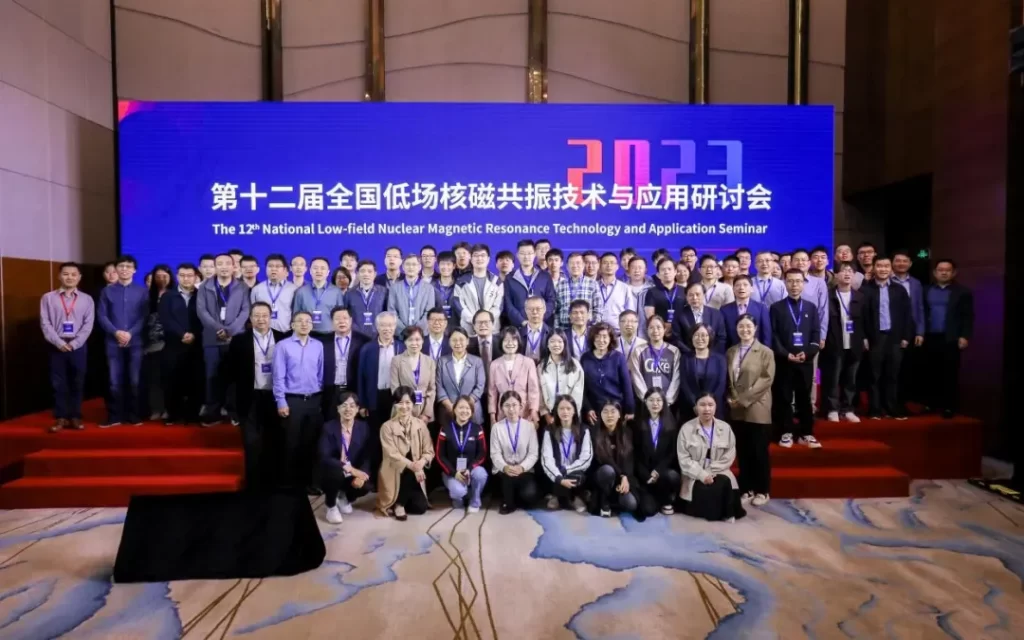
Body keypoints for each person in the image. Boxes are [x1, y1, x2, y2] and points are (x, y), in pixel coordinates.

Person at [226, 302, 288, 489]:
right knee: (251, 442)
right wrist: (231, 405)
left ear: (270, 317)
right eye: (257, 316)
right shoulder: (239, 341)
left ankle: (273, 482)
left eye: (265, 315)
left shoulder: (283, 338)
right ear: (251, 319)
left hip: (275, 396)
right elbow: (229, 374)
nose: (261, 319)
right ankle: (253, 484)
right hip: (249, 396)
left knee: (274, 439)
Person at [726, 314, 775, 506]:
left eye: (748, 326)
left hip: (757, 407)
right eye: (741, 326)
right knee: (743, 451)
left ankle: (763, 490)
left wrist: (743, 399)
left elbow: (766, 379)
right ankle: (746, 488)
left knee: (759, 451)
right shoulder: (731, 351)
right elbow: (730, 379)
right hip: (736, 409)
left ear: (755, 328)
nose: (744, 330)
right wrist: (730, 398)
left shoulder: (765, 352)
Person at [272, 311, 325, 491]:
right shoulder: (283, 346)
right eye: (300, 321)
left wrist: (318, 395)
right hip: (292, 400)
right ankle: (289, 484)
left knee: (311, 443)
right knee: (291, 443)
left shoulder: (318, 345)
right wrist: (281, 401)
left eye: (308, 321)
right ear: (292, 325)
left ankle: (309, 483)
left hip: (313, 400)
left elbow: (320, 373)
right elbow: (278, 376)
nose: (304, 324)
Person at [770, 269, 822, 448]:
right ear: (785, 283)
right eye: (790, 281)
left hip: (805, 360)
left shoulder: (811, 307)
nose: (794, 285)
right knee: (783, 397)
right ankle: (786, 432)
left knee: (804, 398)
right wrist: (785, 354)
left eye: (798, 281)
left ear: (803, 283)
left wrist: (808, 353)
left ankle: (806, 433)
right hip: (784, 361)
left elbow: (816, 333)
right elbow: (773, 335)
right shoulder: (776, 308)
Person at [197, 254, 250, 426]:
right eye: (219, 264)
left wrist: (231, 330)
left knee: (235, 377)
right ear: (215, 267)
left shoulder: (242, 286)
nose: (224, 267)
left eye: (228, 263)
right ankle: (213, 412)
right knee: (212, 376)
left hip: (236, 338)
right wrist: (218, 329)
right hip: (212, 339)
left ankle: (234, 412)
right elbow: (201, 311)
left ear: (234, 266)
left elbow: (245, 310)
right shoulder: (205, 286)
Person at [41, 262, 95, 433]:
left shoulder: (87, 299)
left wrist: (74, 344)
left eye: (73, 274)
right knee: (58, 383)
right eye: (65, 274)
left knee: (77, 382)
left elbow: (88, 325)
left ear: (79, 277)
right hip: (56, 345)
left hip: (78, 346)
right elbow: (45, 323)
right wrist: (59, 343)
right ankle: (60, 417)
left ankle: (75, 416)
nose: (69, 277)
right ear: (59, 276)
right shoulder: (48, 298)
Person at [861, 256, 916, 419]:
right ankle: (875, 409)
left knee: (892, 375)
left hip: (895, 337)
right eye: (879, 266)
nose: (883, 269)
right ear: (874, 268)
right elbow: (861, 316)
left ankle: (891, 408)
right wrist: (863, 337)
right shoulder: (865, 289)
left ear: (891, 269)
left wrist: (906, 336)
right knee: (874, 375)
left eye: (886, 266)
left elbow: (907, 315)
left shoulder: (899, 290)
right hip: (875, 337)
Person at [98, 255, 149, 427]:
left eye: (128, 266)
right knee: (114, 382)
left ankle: (133, 415)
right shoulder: (106, 291)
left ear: (134, 270)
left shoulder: (142, 292)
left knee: (134, 381)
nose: (125, 269)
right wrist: (116, 332)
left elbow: (144, 317)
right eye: (121, 266)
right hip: (113, 342)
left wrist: (130, 333)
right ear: (117, 269)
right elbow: (102, 316)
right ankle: (114, 416)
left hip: (136, 342)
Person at [677, 393, 745, 522]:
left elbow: (729, 455)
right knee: (710, 490)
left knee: (724, 481)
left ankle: (726, 512)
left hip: (719, 470)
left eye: (710, 405)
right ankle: (722, 513)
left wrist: (710, 471)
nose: (707, 409)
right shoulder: (686, 429)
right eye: (702, 405)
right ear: (696, 408)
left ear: (716, 407)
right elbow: (684, 459)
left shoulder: (725, 428)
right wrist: (702, 474)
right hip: (694, 475)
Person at [922, 259, 974, 418]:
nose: (944, 272)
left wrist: (965, 336)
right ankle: (931, 404)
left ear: (953, 273)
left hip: (951, 337)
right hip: (929, 337)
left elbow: (968, 316)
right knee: (931, 372)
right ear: (935, 272)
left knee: (950, 373)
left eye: (947, 270)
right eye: (940, 270)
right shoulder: (926, 290)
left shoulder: (963, 292)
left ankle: (949, 407)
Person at [377, 386, 435, 520]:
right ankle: (399, 504)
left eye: (408, 402)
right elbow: (391, 454)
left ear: (413, 404)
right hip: (395, 472)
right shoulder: (386, 427)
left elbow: (429, 450)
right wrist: (414, 467)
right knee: (408, 469)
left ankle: (401, 498)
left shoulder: (420, 425)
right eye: (400, 403)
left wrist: (421, 462)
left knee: (420, 507)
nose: (404, 407)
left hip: (415, 475)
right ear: (394, 405)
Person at [821, 262, 867, 422]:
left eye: (850, 271)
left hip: (854, 343)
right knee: (832, 378)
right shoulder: (828, 295)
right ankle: (832, 409)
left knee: (851, 379)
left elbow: (866, 320)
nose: (847, 274)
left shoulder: (860, 297)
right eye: (843, 271)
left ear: (854, 275)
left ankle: (848, 409)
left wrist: (865, 338)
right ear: (836, 275)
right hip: (835, 343)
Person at [159, 263, 203, 425]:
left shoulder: (201, 295)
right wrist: (182, 334)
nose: (186, 279)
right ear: (177, 277)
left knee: (195, 380)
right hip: (174, 344)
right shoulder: (168, 296)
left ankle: (192, 415)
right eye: (182, 275)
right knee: (172, 380)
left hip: (196, 344)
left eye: (189, 275)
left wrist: (194, 334)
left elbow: (204, 318)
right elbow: (165, 318)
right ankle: (173, 414)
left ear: (196, 277)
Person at [319, 393, 374, 523]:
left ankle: (343, 497)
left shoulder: (363, 427)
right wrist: (350, 469)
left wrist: (362, 474)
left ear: (357, 409)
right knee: (336, 472)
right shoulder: (328, 427)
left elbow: (367, 455)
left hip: (351, 471)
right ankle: (331, 505)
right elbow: (324, 456)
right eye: (344, 405)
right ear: (338, 409)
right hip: (333, 470)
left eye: (352, 406)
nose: (348, 409)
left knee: (366, 485)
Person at [791, 249, 830, 413]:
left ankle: (810, 405)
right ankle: (792, 405)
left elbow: (823, 310)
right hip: (789, 333)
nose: (800, 263)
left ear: (809, 263)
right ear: (791, 263)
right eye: (797, 260)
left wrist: (822, 335)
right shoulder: (785, 281)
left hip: (811, 334)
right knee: (790, 372)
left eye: (804, 260)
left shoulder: (818, 283)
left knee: (811, 373)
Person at [435, 395, 489, 512]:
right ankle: (459, 499)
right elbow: (440, 456)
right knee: (458, 492)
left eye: (467, 408)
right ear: (454, 409)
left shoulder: (477, 429)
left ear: (472, 411)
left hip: (470, 470)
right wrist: (454, 473)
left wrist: (470, 468)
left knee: (481, 474)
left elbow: (482, 453)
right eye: (461, 408)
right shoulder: (445, 429)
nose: (464, 411)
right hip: (452, 472)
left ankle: (475, 500)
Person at [490, 390, 540, 514]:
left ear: (521, 407)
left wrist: (522, 467)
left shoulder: (529, 426)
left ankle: (513, 497)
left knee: (530, 497)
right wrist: (505, 467)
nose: (511, 409)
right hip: (504, 470)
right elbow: (495, 454)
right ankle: (509, 501)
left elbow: (533, 453)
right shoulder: (497, 428)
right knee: (507, 487)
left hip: (524, 470)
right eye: (507, 405)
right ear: (502, 408)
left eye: (514, 405)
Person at [540, 395, 593, 513]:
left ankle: (574, 497)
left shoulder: (584, 430)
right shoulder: (550, 430)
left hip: (575, 471)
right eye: (561, 408)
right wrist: (558, 476)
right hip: (557, 472)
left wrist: (566, 470)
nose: (565, 412)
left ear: (574, 411)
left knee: (577, 475)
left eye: (568, 408)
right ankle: (559, 496)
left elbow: (586, 458)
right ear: (556, 411)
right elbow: (546, 459)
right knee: (552, 472)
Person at [589, 401, 640, 519]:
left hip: (622, 477)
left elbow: (629, 459)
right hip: (603, 476)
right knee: (607, 470)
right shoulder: (594, 432)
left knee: (631, 504)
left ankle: (615, 498)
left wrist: (626, 477)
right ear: (600, 415)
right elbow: (604, 459)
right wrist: (622, 475)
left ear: (619, 414)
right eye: (605, 412)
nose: (609, 415)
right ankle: (604, 500)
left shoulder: (627, 432)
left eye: (613, 412)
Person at [356, 312, 405, 433]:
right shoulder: (367, 348)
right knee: (374, 433)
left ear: (395, 326)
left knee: (394, 433)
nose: (387, 329)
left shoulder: (401, 348)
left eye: (390, 325)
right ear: (377, 327)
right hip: (374, 396)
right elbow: (360, 378)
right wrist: (362, 404)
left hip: (394, 397)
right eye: (383, 325)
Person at [580, 322, 635, 424]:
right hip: (594, 411)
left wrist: (630, 409)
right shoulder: (585, 358)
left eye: (605, 336)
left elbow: (626, 386)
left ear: (610, 339)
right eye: (597, 336)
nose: (601, 340)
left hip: (615, 408)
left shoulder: (618, 357)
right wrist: (588, 408)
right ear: (592, 338)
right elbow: (582, 388)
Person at [891, 249, 926, 405]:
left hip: (910, 329)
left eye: (905, 261)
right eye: (898, 260)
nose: (901, 264)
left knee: (906, 367)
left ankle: (902, 402)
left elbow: (920, 308)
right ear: (892, 263)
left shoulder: (916, 283)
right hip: (890, 329)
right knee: (891, 368)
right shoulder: (887, 280)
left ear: (910, 264)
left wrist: (920, 331)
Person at [488, 326, 541, 424]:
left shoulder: (528, 362)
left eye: (513, 340)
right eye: (506, 340)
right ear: (501, 342)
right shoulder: (494, 364)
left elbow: (533, 390)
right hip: (503, 412)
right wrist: (492, 416)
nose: (510, 343)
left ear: (518, 342)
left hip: (524, 412)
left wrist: (533, 411)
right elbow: (492, 392)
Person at [323, 306, 369, 420]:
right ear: (332, 321)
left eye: (345, 318)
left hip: (354, 389)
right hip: (331, 390)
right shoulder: (323, 342)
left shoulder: (363, 341)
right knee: (330, 422)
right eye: (337, 318)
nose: (341, 321)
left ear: (351, 320)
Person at [436, 327, 487, 426]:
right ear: (449, 342)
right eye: (454, 340)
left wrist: (466, 406)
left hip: (472, 411)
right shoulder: (442, 361)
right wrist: (449, 405)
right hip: (448, 411)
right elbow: (439, 386)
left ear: (467, 341)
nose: (458, 343)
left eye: (461, 339)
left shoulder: (477, 361)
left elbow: (480, 386)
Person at [629, 315, 681, 407]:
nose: (655, 331)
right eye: (651, 328)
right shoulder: (639, 351)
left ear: (664, 330)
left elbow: (676, 378)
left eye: (658, 327)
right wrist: (648, 399)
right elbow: (636, 377)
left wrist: (668, 401)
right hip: (645, 403)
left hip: (668, 404)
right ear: (647, 330)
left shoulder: (674, 351)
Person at [143, 265, 173, 420]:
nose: (161, 279)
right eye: (158, 276)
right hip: (152, 344)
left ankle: (169, 408)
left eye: (164, 276)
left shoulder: (175, 295)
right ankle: (156, 409)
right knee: (154, 379)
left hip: (171, 343)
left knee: (169, 378)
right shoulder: (148, 297)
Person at [679, 324, 727, 420]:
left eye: (704, 335)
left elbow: (721, 384)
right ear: (692, 338)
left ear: (710, 337)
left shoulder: (720, 359)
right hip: (691, 408)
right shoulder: (685, 358)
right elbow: (684, 384)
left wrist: (709, 405)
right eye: (696, 335)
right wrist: (695, 404)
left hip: (714, 408)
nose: (700, 338)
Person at [390, 326, 437, 423]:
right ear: (405, 342)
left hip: (423, 410)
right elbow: (395, 389)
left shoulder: (430, 362)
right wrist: (405, 410)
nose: (414, 343)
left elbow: (432, 390)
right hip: (402, 410)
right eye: (410, 340)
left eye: (417, 339)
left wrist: (426, 414)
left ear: (422, 341)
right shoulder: (396, 361)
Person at [537, 329, 585, 425]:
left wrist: (569, 414)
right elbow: (539, 393)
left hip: (570, 415)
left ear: (565, 344)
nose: (556, 345)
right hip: (549, 416)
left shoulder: (575, 365)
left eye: (560, 341)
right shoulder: (541, 366)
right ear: (547, 344)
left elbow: (578, 394)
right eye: (552, 341)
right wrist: (546, 414)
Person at [454, 244, 503, 336]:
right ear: (471, 259)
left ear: (488, 259)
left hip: (492, 330)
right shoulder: (461, 282)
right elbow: (459, 306)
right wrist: (474, 320)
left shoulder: (497, 281)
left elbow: (499, 306)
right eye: (476, 255)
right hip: (468, 330)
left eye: (483, 255)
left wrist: (485, 321)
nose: (479, 258)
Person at [293, 257, 345, 338]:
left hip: (330, 334)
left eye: (322, 268)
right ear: (310, 271)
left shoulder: (336, 292)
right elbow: (296, 315)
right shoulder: (301, 291)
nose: (319, 271)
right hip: (307, 335)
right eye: (315, 268)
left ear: (328, 272)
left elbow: (340, 315)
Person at [672, 281, 727, 354]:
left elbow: (721, 338)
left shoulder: (716, 314)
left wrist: (708, 354)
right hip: (688, 355)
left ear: (704, 295)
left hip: (712, 355)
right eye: (691, 295)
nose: (694, 298)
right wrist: (693, 354)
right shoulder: (679, 315)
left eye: (698, 294)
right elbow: (677, 340)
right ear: (686, 297)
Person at [720, 275, 772, 349]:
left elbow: (766, 334)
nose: (741, 288)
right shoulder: (724, 310)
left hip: (756, 351)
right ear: (733, 289)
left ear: (752, 289)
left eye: (745, 285)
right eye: (738, 285)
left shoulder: (761, 308)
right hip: (733, 351)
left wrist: (765, 352)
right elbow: (723, 336)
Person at [390, 253, 437, 333]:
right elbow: (392, 311)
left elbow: (429, 312)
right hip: (400, 333)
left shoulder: (429, 288)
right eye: (408, 264)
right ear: (403, 267)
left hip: (421, 333)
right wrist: (403, 330)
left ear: (419, 267)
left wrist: (417, 330)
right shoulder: (394, 288)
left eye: (414, 264)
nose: (411, 267)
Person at [250, 254, 296, 333]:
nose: (273, 269)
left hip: (286, 333)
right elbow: (253, 312)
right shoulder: (257, 289)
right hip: (263, 333)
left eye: (277, 266)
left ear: (285, 269)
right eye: (270, 266)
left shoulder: (293, 289)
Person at [467, 310, 499, 417]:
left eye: (486, 322)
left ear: (493, 324)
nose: (483, 325)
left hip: (498, 395)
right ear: (473, 326)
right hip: (474, 396)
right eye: (479, 322)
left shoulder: (502, 343)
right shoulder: (466, 345)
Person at [555, 252, 599, 330]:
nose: (575, 266)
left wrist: (593, 328)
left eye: (578, 263)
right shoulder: (560, 285)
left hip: (587, 329)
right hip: (564, 329)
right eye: (572, 263)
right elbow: (556, 310)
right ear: (567, 266)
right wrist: (557, 329)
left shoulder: (593, 284)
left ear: (583, 265)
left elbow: (598, 309)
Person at [347, 259, 389, 339]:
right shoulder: (349, 293)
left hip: (378, 336)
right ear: (357, 273)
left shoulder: (384, 292)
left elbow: (386, 314)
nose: (366, 274)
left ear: (375, 274)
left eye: (370, 271)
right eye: (362, 271)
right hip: (356, 336)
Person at [595, 252, 631, 332]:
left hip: (617, 332)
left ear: (617, 266)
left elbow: (630, 313)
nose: (609, 265)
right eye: (605, 263)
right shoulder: (593, 286)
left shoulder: (625, 288)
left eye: (612, 263)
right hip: (596, 332)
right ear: (600, 266)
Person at [643, 258, 682, 330]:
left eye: (669, 269)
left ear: (675, 272)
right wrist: (662, 327)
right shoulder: (651, 292)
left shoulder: (684, 291)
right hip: (659, 331)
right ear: (658, 274)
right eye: (663, 269)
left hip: (681, 330)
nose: (666, 272)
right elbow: (650, 316)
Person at [518, 296, 552, 362]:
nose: (535, 312)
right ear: (525, 310)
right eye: (531, 309)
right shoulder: (518, 333)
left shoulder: (551, 333)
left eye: (538, 309)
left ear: (544, 309)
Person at [433, 251, 460, 327]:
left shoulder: (460, 286)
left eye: (448, 264)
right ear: (438, 266)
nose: (445, 267)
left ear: (454, 266)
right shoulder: (431, 286)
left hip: (457, 326)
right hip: (436, 326)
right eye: (442, 264)